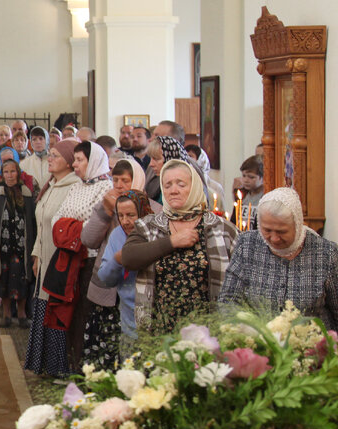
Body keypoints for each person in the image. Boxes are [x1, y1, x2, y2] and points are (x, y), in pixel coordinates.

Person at [120, 159, 238, 335]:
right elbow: (128, 258)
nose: (173, 190)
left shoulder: (222, 228)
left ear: (196, 187)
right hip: (161, 330)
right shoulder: (149, 226)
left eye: (180, 184)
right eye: (167, 185)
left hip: (210, 331)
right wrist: (172, 242)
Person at [219, 187, 338, 329]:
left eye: (282, 231)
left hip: (312, 346)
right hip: (260, 343)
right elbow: (228, 301)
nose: (274, 238)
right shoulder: (247, 245)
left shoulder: (326, 253)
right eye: (267, 230)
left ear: (298, 224)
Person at [52, 141, 113, 366]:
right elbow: (57, 221)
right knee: (70, 313)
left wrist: (71, 226)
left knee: (86, 314)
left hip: (91, 261)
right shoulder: (78, 186)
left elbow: (92, 229)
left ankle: (84, 366)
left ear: (94, 160)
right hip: (69, 258)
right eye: (74, 159)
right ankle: (70, 363)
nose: (74, 164)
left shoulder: (106, 188)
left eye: (79, 160)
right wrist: (72, 227)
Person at [24, 139, 79, 376]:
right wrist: (36, 254)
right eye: (50, 154)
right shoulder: (52, 185)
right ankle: (42, 363)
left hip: (60, 261)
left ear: (69, 161)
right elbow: (41, 225)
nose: (50, 158)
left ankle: (58, 367)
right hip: (45, 258)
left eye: (55, 155)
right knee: (42, 305)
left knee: (55, 309)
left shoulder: (74, 187)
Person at [90, 190, 152, 367]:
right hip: (129, 321)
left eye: (131, 215)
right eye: (121, 216)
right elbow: (105, 278)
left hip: (154, 322)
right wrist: (117, 260)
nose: (125, 221)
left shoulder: (156, 234)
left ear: (143, 212)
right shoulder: (118, 235)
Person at [0, 158, 37, 327]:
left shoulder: (26, 194)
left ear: (18, 173)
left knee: (23, 279)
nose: (10, 175)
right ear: (2, 175)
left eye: (13, 171)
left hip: (22, 248)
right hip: (1, 248)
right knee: (3, 279)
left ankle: (21, 313)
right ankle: (5, 314)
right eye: (6, 172)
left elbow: (33, 222)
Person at [232, 155, 265, 228]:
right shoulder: (241, 194)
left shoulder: (265, 197)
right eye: (244, 176)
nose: (246, 180)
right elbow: (234, 220)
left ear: (263, 178)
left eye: (251, 177)